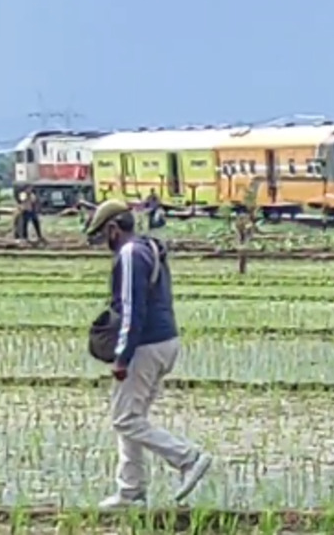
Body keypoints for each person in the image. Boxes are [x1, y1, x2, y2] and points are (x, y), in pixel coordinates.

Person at [84, 200, 213, 509]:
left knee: (125, 419)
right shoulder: (150, 248)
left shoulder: (129, 254)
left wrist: (122, 356)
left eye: (103, 236)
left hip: (144, 345)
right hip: (165, 342)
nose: (104, 244)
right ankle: (130, 491)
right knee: (131, 416)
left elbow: (132, 310)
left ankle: (187, 458)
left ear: (114, 228)